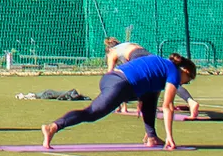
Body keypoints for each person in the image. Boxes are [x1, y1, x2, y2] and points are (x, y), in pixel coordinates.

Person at [41, 51, 197, 150]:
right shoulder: (174, 72)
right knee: (92, 113)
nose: (184, 83)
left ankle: (152, 137)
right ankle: (53, 127)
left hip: (111, 79)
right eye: (188, 80)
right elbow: (168, 106)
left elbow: (150, 90)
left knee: (150, 97)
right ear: (185, 71)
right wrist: (170, 137)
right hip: (121, 85)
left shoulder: (159, 61)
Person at [104, 40, 200, 121]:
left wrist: (118, 103)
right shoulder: (127, 45)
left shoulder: (112, 52)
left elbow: (111, 75)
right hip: (148, 56)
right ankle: (190, 101)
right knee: (166, 79)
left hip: (136, 56)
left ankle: (148, 105)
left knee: (129, 80)